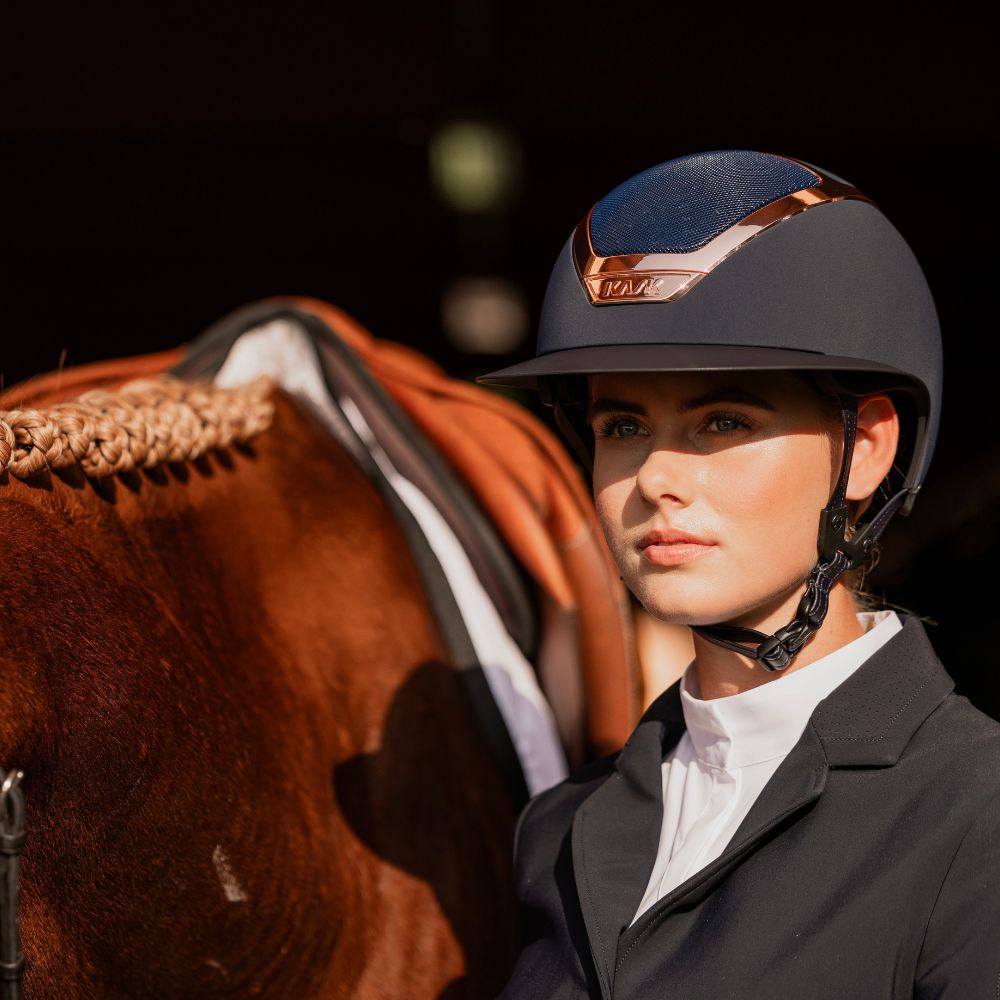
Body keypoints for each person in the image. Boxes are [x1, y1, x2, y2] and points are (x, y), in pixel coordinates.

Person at [478, 150, 1000, 999]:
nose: (655, 479)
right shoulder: (555, 830)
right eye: (622, 427)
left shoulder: (976, 816)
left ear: (867, 448)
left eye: (722, 421)